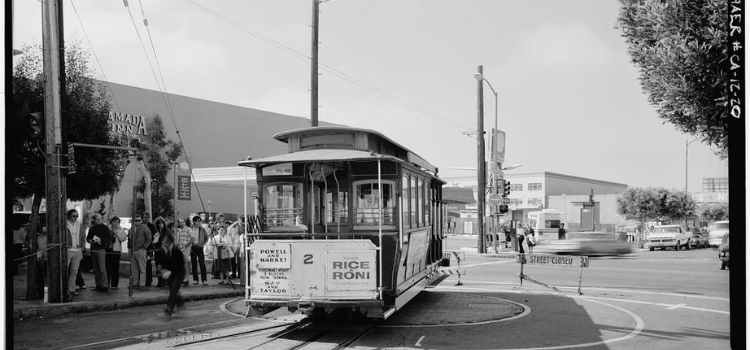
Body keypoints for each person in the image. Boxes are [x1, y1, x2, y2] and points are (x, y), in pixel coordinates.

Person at [160, 233, 186, 319]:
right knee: (172, 289)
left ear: (169, 242)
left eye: (164, 242)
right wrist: (163, 270)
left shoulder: (175, 250)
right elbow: (164, 262)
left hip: (179, 273)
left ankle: (169, 310)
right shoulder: (165, 250)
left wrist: (169, 271)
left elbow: (180, 264)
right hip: (171, 273)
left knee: (173, 291)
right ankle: (180, 303)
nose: (163, 244)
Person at [86, 213, 112, 292]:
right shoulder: (92, 228)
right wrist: (90, 240)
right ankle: (98, 284)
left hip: (101, 249)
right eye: (97, 219)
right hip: (93, 248)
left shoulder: (105, 228)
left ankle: (104, 285)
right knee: (96, 268)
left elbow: (109, 238)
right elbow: (88, 238)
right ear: (94, 220)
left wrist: (101, 240)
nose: (99, 220)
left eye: (100, 219)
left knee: (102, 268)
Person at [128, 214, 152, 289]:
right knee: (134, 269)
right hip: (133, 250)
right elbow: (129, 239)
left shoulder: (145, 228)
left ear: (141, 220)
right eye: (136, 220)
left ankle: (142, 284)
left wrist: (144, 247)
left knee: (142, 268)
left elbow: (149, 238)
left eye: (139, 220)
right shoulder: (132, 228)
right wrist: (129, 248)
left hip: (141, 250)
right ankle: (135, 283)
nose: (137, 222)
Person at [107, 216, 128, 289]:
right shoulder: (108, 228)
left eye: (117, 223)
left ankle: (114, 284)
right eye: (114, 222)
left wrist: (116, 232)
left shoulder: (121, 230)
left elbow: (123, 238)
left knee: (115, 268)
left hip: (116, 250)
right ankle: (106, 283)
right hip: (108, 250)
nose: (115, 224)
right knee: (107, 267)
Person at [190, 216, 209, 286]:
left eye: (200, 221)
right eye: (198, 221)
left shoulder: (202, 229)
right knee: (194, 263)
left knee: (202, 263)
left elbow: (206, 238)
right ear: (194, 221)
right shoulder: (190, 229)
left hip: (200, 247)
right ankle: (195, 279)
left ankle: (204, 280)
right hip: (192, 247)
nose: (199, 222)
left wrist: (203, 244)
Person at [174, 218, 193, 286]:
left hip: (186, 248)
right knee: (182, 264)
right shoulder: (179, 230)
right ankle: (183, 279)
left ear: (185, 222)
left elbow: (193, 238)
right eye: (180, 222)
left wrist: (186, 245)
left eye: (183, 222)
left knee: (185, 264)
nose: (182, 223)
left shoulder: (188, 229)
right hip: (180, 249)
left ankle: (186, 279)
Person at [152, 217, 169, 288]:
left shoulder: (167, 231)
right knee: (158, 267)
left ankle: (164, 281)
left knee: (164, 267)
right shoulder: (156, 231)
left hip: (164, 251)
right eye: (159, 223)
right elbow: (153, 242)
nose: (161, 224)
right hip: (157, 251)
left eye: (162, 222)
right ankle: (160, 281)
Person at [141, 212, 156, 287]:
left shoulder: (151, 226)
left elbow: (152, 237)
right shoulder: (140, 225)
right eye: (144, 217)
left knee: (148, 264)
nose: (146, 218)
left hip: (149, 248)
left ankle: (149, 280)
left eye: (147, 217)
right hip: (141, 247)